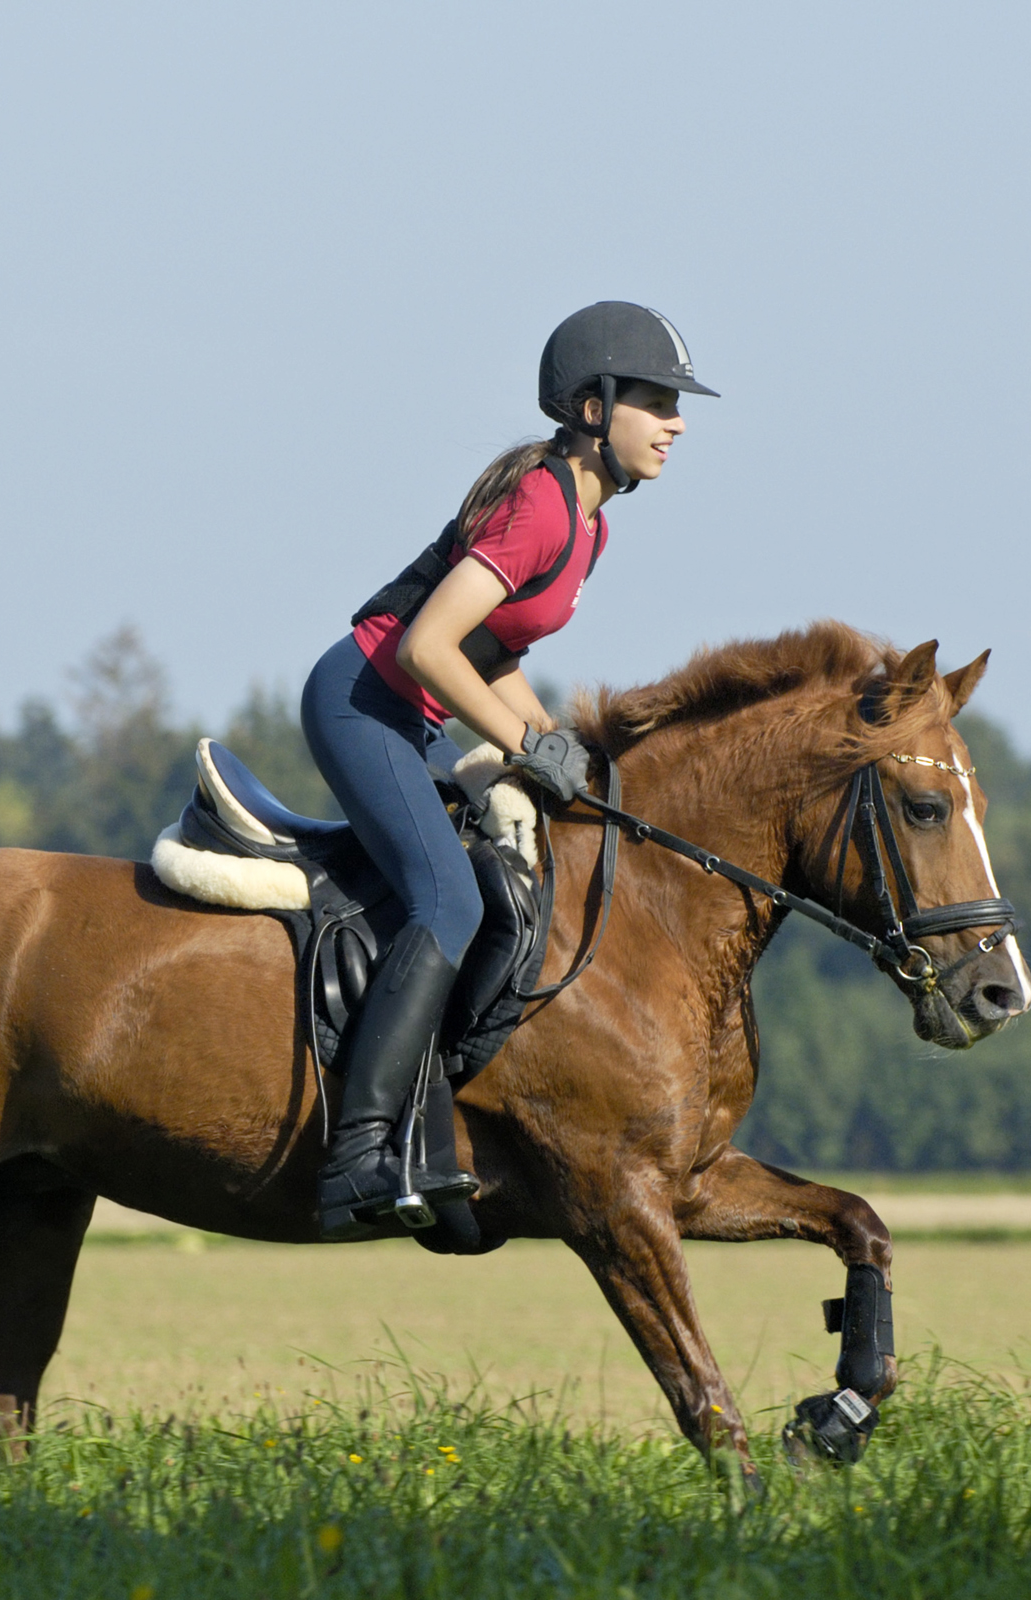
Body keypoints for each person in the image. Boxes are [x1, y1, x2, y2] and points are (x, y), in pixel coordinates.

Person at [301, 301, 716, 1240]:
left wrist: (561, 744)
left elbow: (494, 652)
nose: (678, 423)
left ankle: (433, 1121)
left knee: (501, 883)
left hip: (410, 709)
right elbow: (427, 647)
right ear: (593, 408)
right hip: (363, 702)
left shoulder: (590, 526)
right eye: (658, 401)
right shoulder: (540, 503)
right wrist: (527, 747)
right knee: (451, 902)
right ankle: (360, 1153)